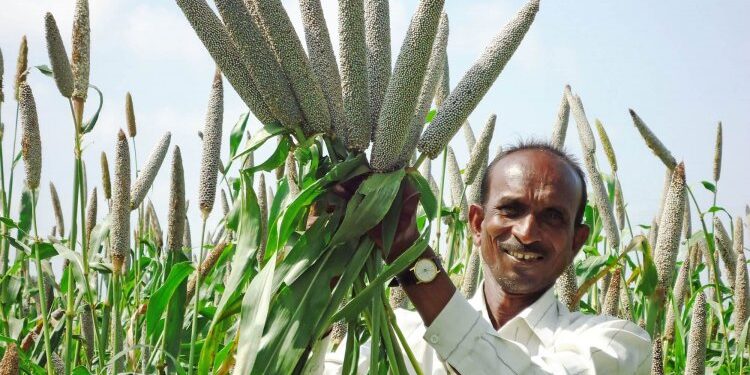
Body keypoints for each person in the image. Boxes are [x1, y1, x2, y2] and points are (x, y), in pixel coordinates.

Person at [320, 140, 651, 374]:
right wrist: (323, 259)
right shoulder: (399, 333)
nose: (527, 233)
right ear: (477, 224)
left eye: (552, 217)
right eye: (511, 210)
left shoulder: (617, 344)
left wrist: (409, 251)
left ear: (577, 242)